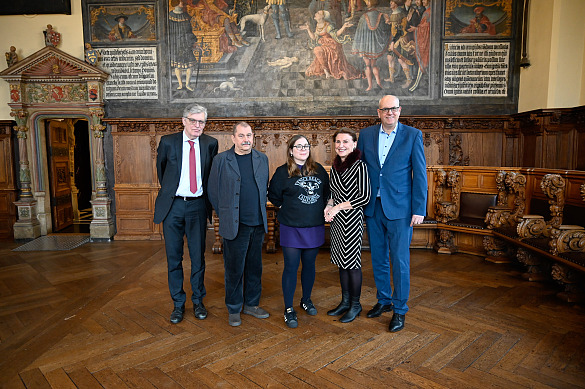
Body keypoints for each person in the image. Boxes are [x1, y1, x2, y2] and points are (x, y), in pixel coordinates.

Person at [357, 95, 427, 332]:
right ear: (378, 112)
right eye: (385, 109)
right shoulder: (366, 135)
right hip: (373, 207)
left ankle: (399, 310)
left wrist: (419, 208)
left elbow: (420, 174)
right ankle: (384, 300)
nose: (390, 113)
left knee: (399, 261)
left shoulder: (412, 135)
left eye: (393, 109)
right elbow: (358, 170)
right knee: (378, 258)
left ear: (400, 111)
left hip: (400, 209)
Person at [154, 104, 219, 324]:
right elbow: (162, 172)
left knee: (198, 257)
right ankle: (178, 305)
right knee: (174, 258)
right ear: (184, 121)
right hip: (173, 206)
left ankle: (199, 301)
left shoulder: (211, 144)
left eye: (201, 122)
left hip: (198, 206)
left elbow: (210, 176)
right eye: (194, 121)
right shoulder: (168, 142)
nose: (198, 125)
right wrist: (175, 193)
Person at [208, 122, 270, 327]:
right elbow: (213, 191)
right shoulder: (221, 160)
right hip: (235, 224)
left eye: (249, 135)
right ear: (233, 138)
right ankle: (234, 307)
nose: (246, 139)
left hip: (258, 223)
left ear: (253, 137)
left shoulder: (262, 158)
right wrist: (226, 214)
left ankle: (251, 304)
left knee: (255, 267)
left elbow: (262, 188)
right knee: (234, 268)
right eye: (241, 136)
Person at [268, 135, 330, 328]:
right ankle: (288, 308)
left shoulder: (319, 170)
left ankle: (306, 300)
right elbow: (274, 197)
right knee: (291, 267)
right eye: (299, 146)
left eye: (306, 146)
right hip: (291, 227)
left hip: (313, 225)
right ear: (291, 150)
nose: (303, 149)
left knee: (309, 266)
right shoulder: (281, 172)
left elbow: (327, 194)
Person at [325, 128, 371, 323]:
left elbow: (364, 197)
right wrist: (328, 207)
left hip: (352, 220)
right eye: (338, 142)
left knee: (351, 264)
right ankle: (344, 302)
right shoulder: (335, 167)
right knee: (341, 264)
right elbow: (332, 194)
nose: (341, 145)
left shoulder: (359, 166)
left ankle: (355, 304)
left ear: (353, 145)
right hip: (337, 221)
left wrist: (337, 208)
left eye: (345, 142)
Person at [300, 10, 362, 80]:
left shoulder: (328, 26)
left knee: (317, 50)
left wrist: (344, 26)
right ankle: (326, 71)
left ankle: (327, 71)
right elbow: (314, 37)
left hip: (332, 45)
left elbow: (336, 34)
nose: (316, 14)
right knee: (317, 50)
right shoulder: (318, 25)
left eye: (318, 13)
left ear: (322, 17)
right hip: (324, 44)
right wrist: (308, 29)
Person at [351, 0, 391, 91]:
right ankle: (379, 83)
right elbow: (385, 30)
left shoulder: (363, 17)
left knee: (367, 65)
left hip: (365, 46)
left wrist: (356, 46)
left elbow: (359, 33)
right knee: (374, 65)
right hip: (375, 46)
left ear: (370, 3)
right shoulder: (381, 15)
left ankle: (370, 86)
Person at [169, 0, 199, 91]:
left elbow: (189, 31)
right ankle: (180, 84)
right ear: (176, 3)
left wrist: (193, 42)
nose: (183, 3)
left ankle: (188, 85)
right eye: (181, 1)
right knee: (178, 66)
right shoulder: (170, 16)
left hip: (186, 44)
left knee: (190, 66)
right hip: (176, 44)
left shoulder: (186, 16)